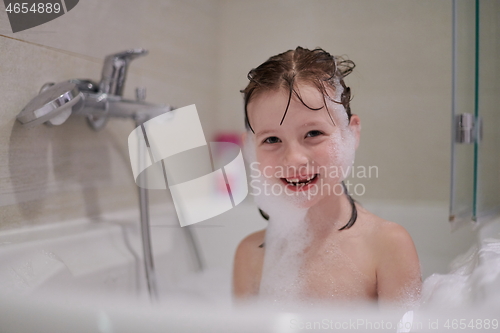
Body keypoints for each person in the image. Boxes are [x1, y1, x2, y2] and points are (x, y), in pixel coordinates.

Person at [232, 46, 421, 308]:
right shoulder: (250, 256)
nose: (294, 158)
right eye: (272, 139)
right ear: (250, 148)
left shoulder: (387, 245)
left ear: (351, 133)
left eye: (313, 133)